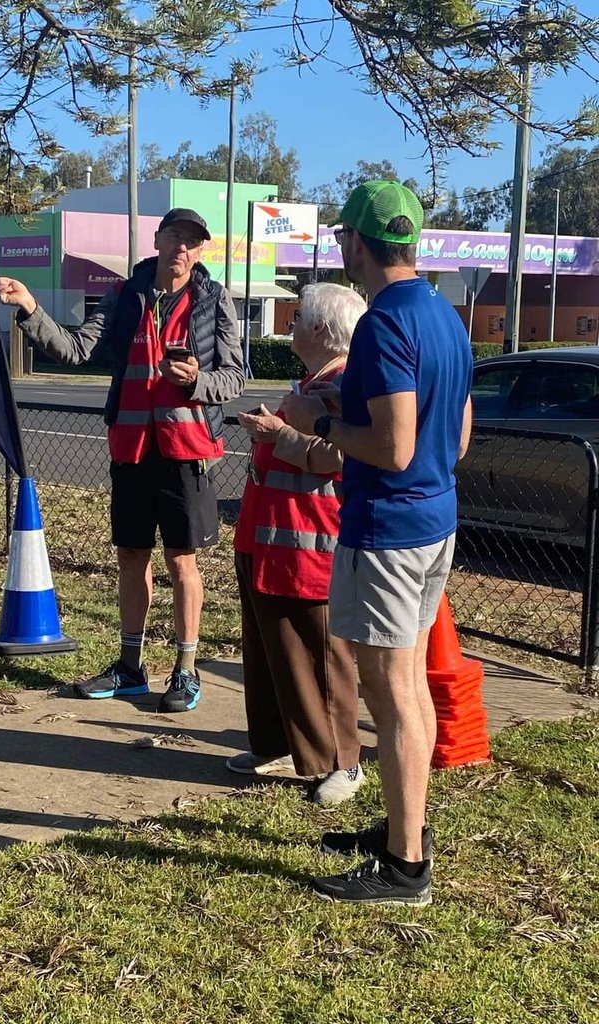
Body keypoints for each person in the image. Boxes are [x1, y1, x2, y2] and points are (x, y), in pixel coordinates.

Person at [281, 181, 473, 906]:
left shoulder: (385, 324)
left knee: (390, 696)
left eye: (341, 238)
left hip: (387, 530)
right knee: (410, 686)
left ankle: (405, 865)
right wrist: (349, 410)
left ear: (357, 243)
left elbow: (391, 447)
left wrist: (321, 425)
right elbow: (451, 435)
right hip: (434, 520)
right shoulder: (443, 316)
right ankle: (406, 829)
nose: (339, 249)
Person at [0, 208, 244, 713]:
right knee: (131, 556)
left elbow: (234, 377)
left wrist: (197, 381)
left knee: (182, 561)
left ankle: (186, 670)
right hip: (131, 449)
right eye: (175, 237)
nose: (183, 249)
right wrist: (30, 306)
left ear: (200, 250)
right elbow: (79, 349)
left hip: (186, 451)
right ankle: (130, 667)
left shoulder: (214, 300)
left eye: (193, 242)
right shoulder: (125, 295)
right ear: (158, 239)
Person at [228, 283, 368, 806]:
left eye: (297, 318)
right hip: (269, 538)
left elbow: (339, 455)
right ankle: (274, 742)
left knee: (321, 655)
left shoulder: (347, 382)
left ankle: (342, 763)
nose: (289, 326)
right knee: (270, 651)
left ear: (319, 329)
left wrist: (274, 435)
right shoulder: (315, 379)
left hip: (312, 543)